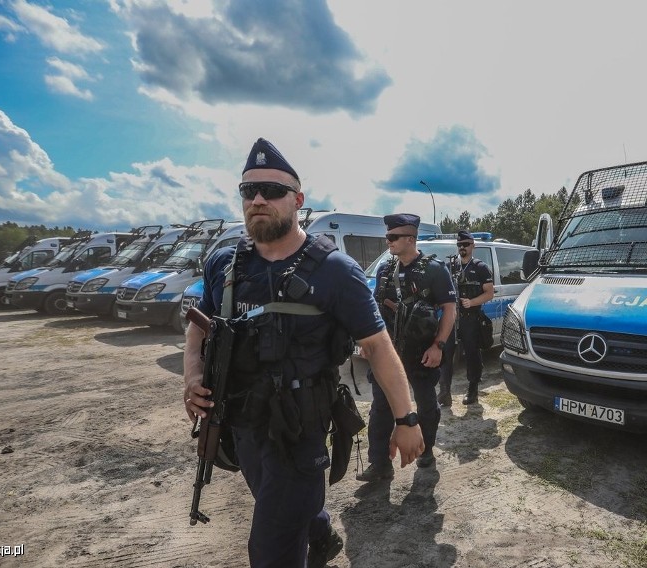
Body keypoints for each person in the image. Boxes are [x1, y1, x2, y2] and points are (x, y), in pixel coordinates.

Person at [183, 138, 425, 568]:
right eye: (248, 190)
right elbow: (198, 326)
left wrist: (406, 419)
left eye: (272, 191)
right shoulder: (223, 263)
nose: (258, 199)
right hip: (242, 423)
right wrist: (192, 379)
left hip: (299, 428)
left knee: (270, 549)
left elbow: (378, 346)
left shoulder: (335, 270)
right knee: (277, 503)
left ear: (297, 200)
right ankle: (320, 531)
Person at [357, 213, 456, 479]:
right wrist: (368, 344)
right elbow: (376, 310)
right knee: (380, 407)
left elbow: (449, 309)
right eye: (387, 236)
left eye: (393, 237)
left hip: (422, 353)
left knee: (426, 405)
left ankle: (426, 450)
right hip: (388, 355)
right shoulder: (385, 270)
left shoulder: (435, 270)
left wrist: (439, 346)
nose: (387, 241)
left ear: (411, 239)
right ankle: (379, 464)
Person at [438, 230, 495, 406]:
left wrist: (472, 302)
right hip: (452, 317)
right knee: (446, 353)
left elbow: (490, 293)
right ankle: (444, 391)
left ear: (473, 245)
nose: (462, 248)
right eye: (460, 245)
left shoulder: (480, 267)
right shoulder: (451, 266)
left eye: (466, 244)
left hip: (471, 317)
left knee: (472, 353)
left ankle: (473, 390)